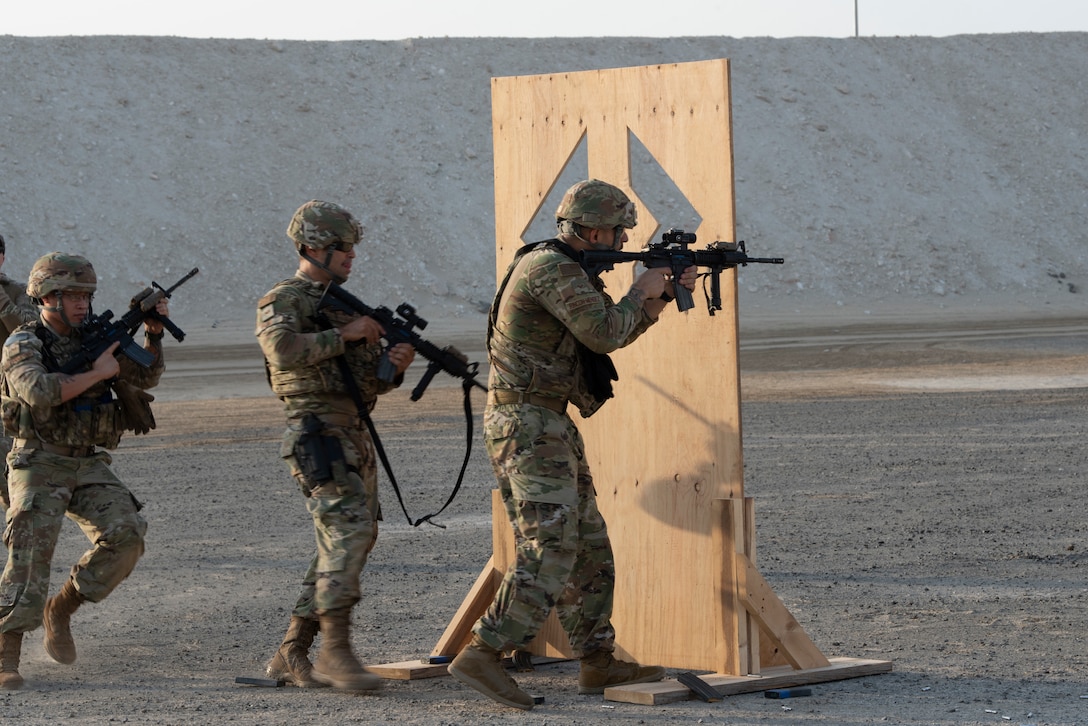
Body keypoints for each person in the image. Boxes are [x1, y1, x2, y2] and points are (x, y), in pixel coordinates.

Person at [448, 179, 698, 710]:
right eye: (615, 230)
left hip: (547, 421)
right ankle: (483, 652)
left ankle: (596, 658)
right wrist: (640, 290)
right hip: (526, 423)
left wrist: (654, 302)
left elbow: (611, 332)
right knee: (552, 544)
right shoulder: (551, 268)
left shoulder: (568, 269)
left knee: (587, 542)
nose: (621, 239)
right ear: (589, 228)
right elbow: (603, 332)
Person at [256, 200, 415, 692]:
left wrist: (393, 365)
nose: (349, 255)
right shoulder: (284, 299)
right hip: (317, 435)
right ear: (309, 248)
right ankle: (335, 651)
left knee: (352, 536)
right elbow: (281, 349)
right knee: (346, 535)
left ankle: (293, 650)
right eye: (338, 246)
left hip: (351, 433)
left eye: (351, 247)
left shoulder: (343, 303)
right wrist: (345, 334)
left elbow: (361, 379)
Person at [0, 252, 168, 690]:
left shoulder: (93, 336)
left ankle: (62, 608)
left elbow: (145, 376)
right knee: (29, 551)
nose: (80, 304)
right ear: (45, 297)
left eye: (85, 296)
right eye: (70, 295)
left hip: (86, 460)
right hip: (38, 458)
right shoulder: (24, 342)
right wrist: (96, 374)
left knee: (127, 534)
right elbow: (37, 391)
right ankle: (6, 652)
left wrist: (153, 334)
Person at [0, 232, 41, 510]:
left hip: (6, 397)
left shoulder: (17, 292)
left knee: (7, 474)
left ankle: (18, 539)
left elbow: (25, 327)